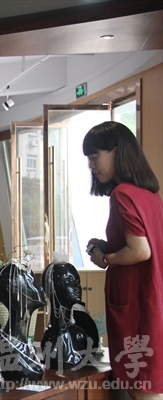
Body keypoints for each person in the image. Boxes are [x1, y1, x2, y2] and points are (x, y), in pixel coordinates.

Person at [83, 121, 163, 399]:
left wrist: (105, 257)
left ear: (117, 151)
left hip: (136, 306)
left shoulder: (122, 194)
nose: (91, 165)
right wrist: (110, 247)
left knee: (143, 390)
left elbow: (140, 251)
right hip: (150, 301)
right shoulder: (149, 194)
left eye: (95, 156)